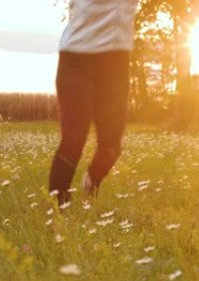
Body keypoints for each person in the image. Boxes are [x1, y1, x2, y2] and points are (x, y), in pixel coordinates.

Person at [48, 0, 139, 205]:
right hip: (77, 60)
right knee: (73, 141)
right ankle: (57, 210)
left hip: (116, 63)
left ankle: (92, 181)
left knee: (111, 146)